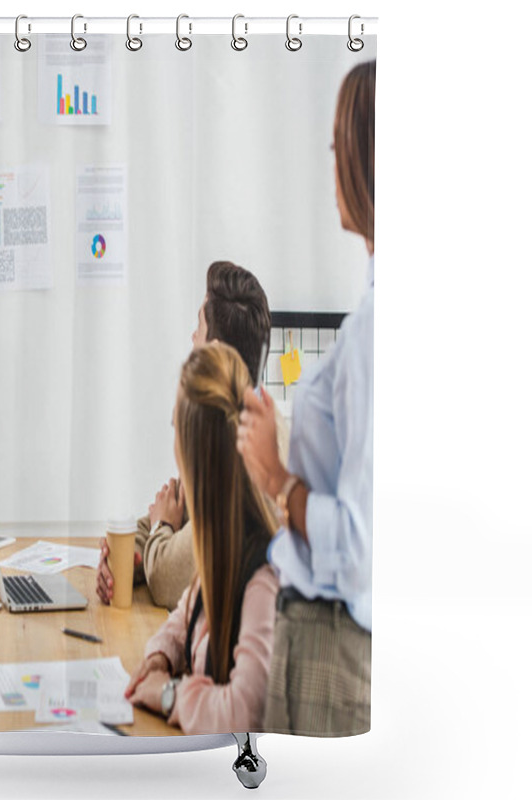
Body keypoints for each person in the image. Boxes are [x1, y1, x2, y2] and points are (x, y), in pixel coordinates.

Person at [236, 60, 376, 736]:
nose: (330, 167)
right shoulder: (371, 313)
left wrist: (276, 476)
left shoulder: (378, 331)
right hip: (318, 641)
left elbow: (360, 546)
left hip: (332, 650)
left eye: (337, 148)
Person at [96, 261, 289, 611]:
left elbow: (169, 579)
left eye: (197, 329)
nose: (191, 339)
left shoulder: (250, 453)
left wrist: (158, 534)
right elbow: (171, 512)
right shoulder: (229, 419)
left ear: (212, 352)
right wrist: (127, 557)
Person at [124, 342, 278, 734]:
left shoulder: (262, 575)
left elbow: (245, 713)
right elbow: (186, 616)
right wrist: (161, 656)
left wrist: (171, 694)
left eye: (175, 423)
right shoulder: (222, 541)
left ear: (189, 454)